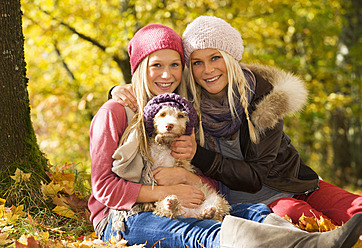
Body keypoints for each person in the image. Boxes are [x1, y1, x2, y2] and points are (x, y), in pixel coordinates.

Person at [95, 23, 362, 248]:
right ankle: (315, 242)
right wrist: (116, 91)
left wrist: (188, 175)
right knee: (211, 230)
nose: (167, 74)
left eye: (175, 65)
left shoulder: (244, 99)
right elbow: (104, 185)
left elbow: (231, 179)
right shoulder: (159, 108)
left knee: (262, 214)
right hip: (127, 213)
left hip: (285, 181)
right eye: (197, 62)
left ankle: (311, 242)